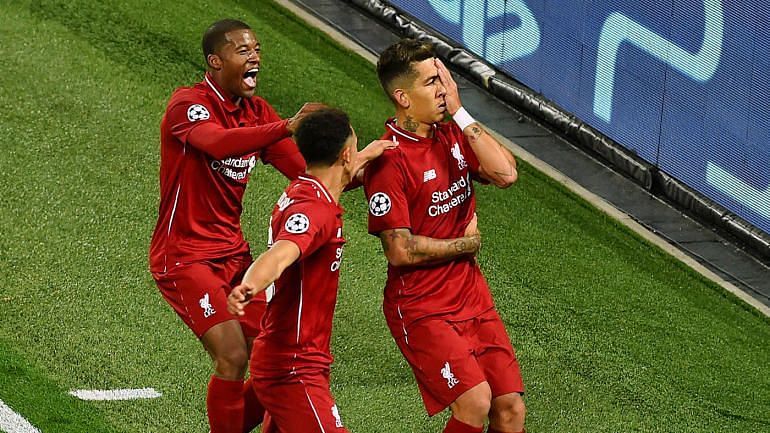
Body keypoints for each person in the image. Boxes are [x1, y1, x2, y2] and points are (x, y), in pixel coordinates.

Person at [149, 18, 322, 433]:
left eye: (257, 49)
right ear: (215, 61)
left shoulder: (256, 112)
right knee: (232, 355)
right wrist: (285, 126)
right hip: (184, 257)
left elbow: (302, 171)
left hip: (234, 256)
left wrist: (356, 162)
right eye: (243, 50)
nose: (255, 56)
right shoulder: (187, 105)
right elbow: (216, 142)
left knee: (277, 359)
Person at [363, 39, 526, 433]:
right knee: (474, 402)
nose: (443, 90)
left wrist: (461, 112)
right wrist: (465, 245)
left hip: (471, 295)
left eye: (444, 80)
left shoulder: (452, 135)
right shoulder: (389, 160)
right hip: (421, 306)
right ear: (403, 96)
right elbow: (400, 251)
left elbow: (506, 174)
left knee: (509, 409)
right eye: (432, 83)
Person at [227, 108, 395, 433]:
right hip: (292, 365)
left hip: (298, 355)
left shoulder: (307, 186)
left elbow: (342, 174)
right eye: (355, 147)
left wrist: (372, 151)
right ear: (345, 154)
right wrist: (249, 285)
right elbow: (280, 255)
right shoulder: (314, 212)